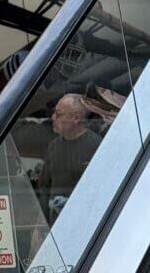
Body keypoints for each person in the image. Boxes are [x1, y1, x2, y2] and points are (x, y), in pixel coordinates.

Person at [36, 94, 101, 223]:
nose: (53, 117)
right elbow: (44, 190)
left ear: (76, 118)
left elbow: (99, 191)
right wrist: (40, 225)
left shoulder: (97, 146)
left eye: (59, 114)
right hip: (55, 223)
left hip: (84, 223)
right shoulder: (54, 146)